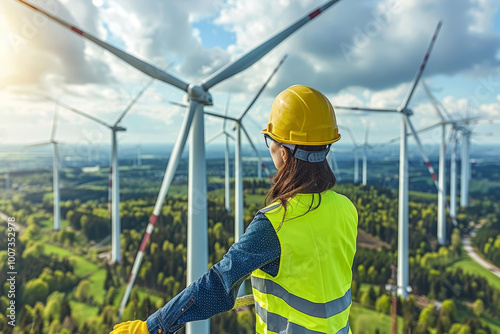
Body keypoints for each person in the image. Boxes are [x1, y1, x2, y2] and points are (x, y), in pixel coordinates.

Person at [110, 85, 358, 334]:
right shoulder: (347, 209)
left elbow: (217, 284)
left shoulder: (275, 224)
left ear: (283, 151)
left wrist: (152, 328)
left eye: (269, 140)